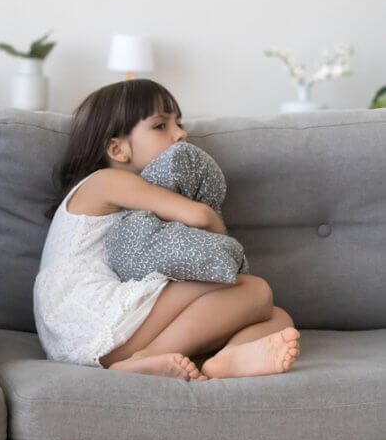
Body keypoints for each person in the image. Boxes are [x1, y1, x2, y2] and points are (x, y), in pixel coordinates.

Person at [33, 78, 301, 381]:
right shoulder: (108, 181)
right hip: (87, 314)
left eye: (179, 123)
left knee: (279, 320)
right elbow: (199, 217)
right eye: (161, 126)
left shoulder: (132, 202)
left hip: (90, 337)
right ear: (117, 149)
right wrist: (215, 229)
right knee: (255, 290)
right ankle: (147, 356)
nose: (181, 134)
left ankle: (225, 360)